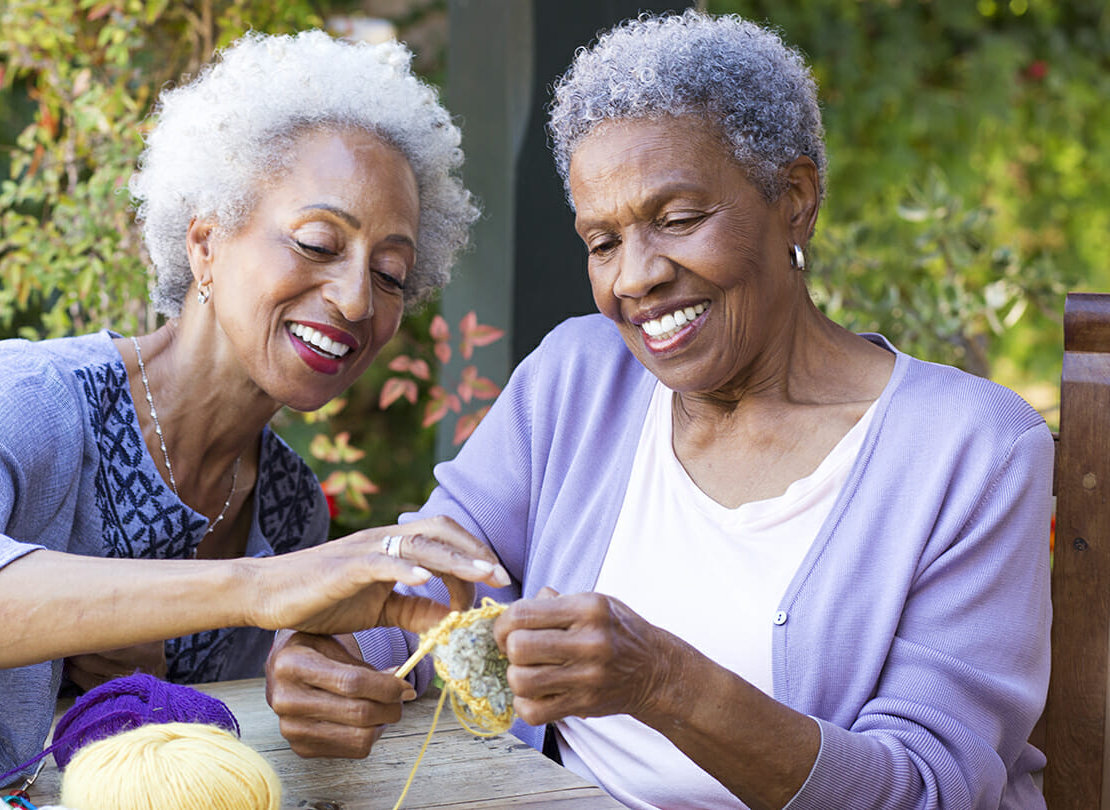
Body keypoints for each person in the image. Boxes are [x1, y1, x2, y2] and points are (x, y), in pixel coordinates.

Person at [265, 11, 1052, 809]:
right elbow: (426, 581)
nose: (634, 278)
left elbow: (932, 789)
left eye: (677, 220)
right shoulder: (579, 375)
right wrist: (328, 656)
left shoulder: (971, 450)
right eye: (602, 242)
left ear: (796, 200)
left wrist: (665, 682)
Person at [0, 30, 504, 787]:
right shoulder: (33, 399)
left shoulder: (285, 506)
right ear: (206, 242)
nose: (358, 297)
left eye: (392, 273)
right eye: (318, 243)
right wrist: (254, 589)